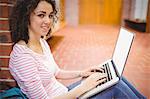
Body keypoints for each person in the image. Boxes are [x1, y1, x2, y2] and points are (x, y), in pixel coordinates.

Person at [8, 0, 146, 99]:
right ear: (26, 17)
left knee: (115, 78)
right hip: (66, 95)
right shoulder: (22, 57)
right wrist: (85, 87)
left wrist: (82, 73)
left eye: (50, 15)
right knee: (115, 86)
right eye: (41, 15)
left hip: (66, 92)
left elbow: (57, 72)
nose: (48, 21)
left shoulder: (41, 42)